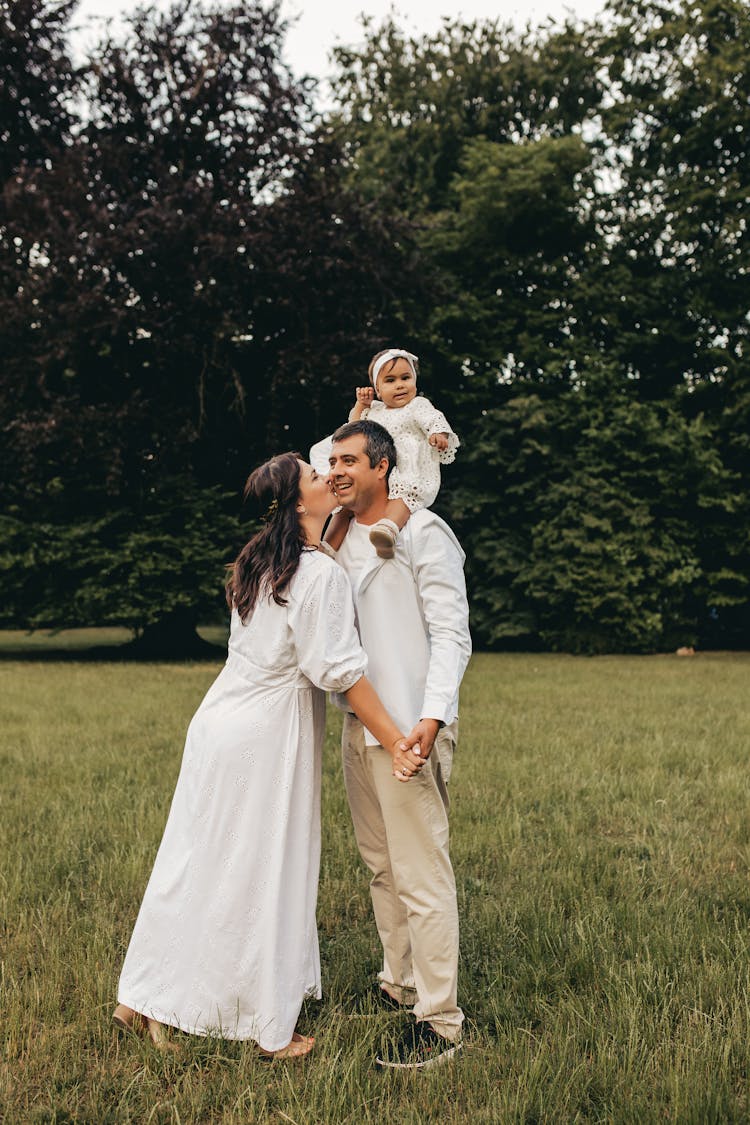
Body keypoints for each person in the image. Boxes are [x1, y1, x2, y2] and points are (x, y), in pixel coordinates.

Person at [112, 452, 425, 1059]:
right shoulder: (318, 575)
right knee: (259, 870)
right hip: (264, 735)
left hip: (217, 725)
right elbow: (340, 672)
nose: (328, 476)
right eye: (315, 476)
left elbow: (316, 560)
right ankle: (265, 1026)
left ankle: (140, 996)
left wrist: (360, 407)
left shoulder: (260, 562)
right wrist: (395, 741)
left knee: (192, 860)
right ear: (298, 503)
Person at [323, 420, 472, 1070]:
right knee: (381, 865)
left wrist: (432, 718)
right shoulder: (338, 541)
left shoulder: (423, 532)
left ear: (384, 465)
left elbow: (452, 633)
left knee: (420, 873)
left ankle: (440, 1021)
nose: (336, 470)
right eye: (332, 461)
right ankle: (399, 981)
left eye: (350, 459)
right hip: (362, 726)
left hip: (412, 727)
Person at [323, 349, 459, 559]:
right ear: (378, 389)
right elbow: (353, 427)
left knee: (403, 497)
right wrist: (361, 404)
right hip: (378, 470)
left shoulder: (417, 405)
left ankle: (388, 531)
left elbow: (433, 418)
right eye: (390, 380)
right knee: (343, 509)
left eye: (406, 378)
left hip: (407, 468)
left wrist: (438, 433)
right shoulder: (374, 411)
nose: (399, 385)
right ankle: (327, 548)